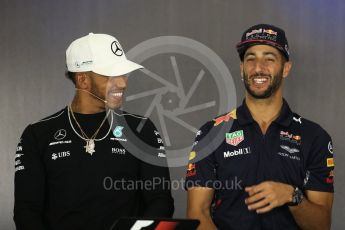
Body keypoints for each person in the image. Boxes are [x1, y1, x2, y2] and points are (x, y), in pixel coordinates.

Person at [14, 33, 174, 230]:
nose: (123, 83)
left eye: (123, 74)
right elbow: (26, 211)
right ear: (83, 80)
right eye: (111, 75)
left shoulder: (141, 129)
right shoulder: (37, 135)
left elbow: (160, 200)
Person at [185, 24, 334, 230]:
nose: (258, 68)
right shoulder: (211, 133)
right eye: (251, 59)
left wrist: (292, 196)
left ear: (286, 68)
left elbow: (321, 225)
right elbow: (197, 212)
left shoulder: (315, 137)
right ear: (241, 68)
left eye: (269, 59)